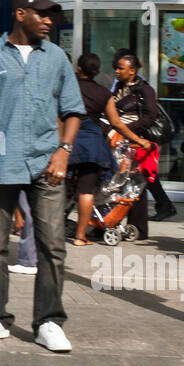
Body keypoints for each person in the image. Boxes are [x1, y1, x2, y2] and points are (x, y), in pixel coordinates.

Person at [0, 0, 84, 352]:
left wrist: (64, 151)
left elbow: (73, 109)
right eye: (42, 14)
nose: (48, 21)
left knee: (53, 246)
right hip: (0, 163)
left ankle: (49, 322)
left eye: (51, 16)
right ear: (20, 14)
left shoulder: (57, 57)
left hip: (47, 164)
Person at [104, 54, 161, 240]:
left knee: (136, 184)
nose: (117, 71)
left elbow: (151, 116)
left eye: (121, 68)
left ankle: (137, 228)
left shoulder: (145, 90)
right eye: (116, 67)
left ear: (132, 71)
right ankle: (109, 222)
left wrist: (127, 130)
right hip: (117, 140)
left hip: (135, 140)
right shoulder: (119, 87)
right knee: (116, 183)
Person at [69, 53, 113, 247]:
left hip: (66, 142)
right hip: (91, 147)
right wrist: (138, 139)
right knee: (86, 191)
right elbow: (116, 122)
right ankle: (80, 236)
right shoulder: (104, 93)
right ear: (97, 71)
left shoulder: (68, 87)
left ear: (79, 68)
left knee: (54, 188)